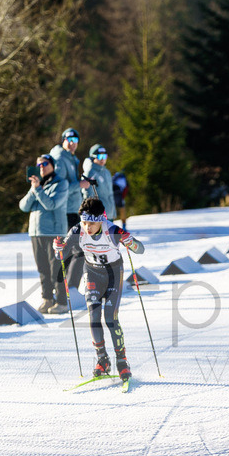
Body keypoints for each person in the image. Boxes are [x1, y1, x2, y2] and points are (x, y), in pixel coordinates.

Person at [54, 198, 144, 384]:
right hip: (92, 273)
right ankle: (102, 359)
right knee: (94, 316)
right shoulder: (78, 230)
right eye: (85, 222)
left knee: (110, 317)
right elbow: (61, 253)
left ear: (101, 220)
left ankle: (122, 361)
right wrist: (58, 248)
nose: (87, 227)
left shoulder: (112, 230)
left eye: (92, 223)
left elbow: (140, 249)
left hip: (113, 273)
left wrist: (130, 242)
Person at [19, 154, 69, 314]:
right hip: (36, 233)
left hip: (54, 232)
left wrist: (38, 190)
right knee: (42, 269)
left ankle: (61, 302)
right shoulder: (36, 185)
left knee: (56, 269)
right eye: (39, 164)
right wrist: (34, 190)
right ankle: (47, 299)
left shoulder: (61, 183)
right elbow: (23, 206)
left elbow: (51, 204)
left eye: (45, 164)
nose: (42, 167)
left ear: (52, 166)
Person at [50, 127, 91, 292]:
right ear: (63, 140)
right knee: (77, 250)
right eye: (70, 140)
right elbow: (59, 186)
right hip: (65, 211)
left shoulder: (70, 158)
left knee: (71, 250)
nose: (73, 144)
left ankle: (63, 289)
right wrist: (79, 185)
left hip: (72, 209)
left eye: (76, 141)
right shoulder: (60, 158)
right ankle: (66, 290)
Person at [82, 144, 116, 221]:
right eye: (100, 157)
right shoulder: (90, 172)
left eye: (104, 157)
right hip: (98, 216)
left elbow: (110, 194)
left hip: (109, 214)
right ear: (93, 157)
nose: (102, 159)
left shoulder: (106, 172)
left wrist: (113, 212)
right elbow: (88, 196)